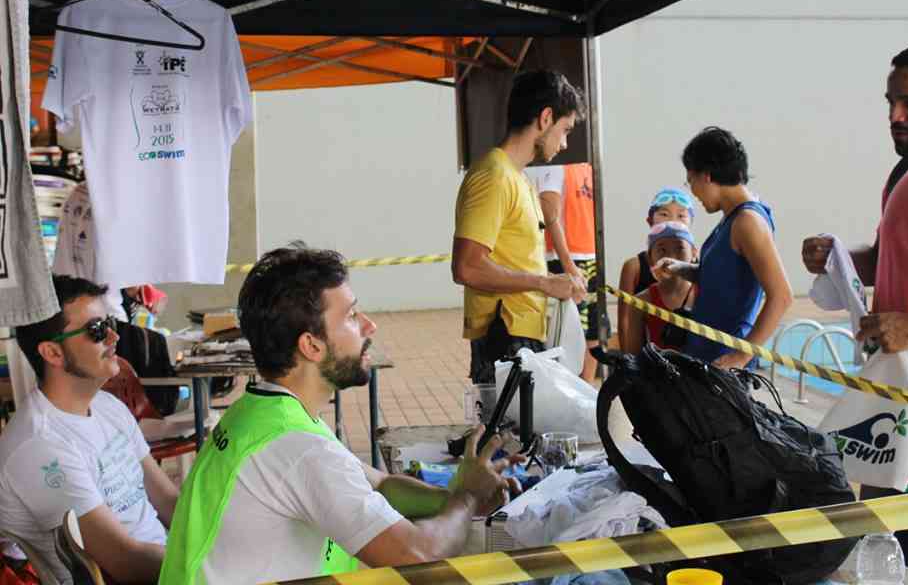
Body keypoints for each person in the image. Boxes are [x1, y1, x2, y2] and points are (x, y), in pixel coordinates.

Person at [160, 245, 521, 585]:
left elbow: (380, 486)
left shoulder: (265, 413)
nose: (369, 325)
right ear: (311, 345)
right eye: (350, 316)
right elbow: (420, 554)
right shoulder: (296, 448)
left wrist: (455, 494)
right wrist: (467, 497)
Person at [802, 42, 908, 585]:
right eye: (890, 101)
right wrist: (839, 259)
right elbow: (889, 257)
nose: (894, 115)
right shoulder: (904, 177)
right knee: (883, 562)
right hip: (890, 408)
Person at [0, 275, 179, 584]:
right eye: (97, 330)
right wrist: (205, 567)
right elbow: (126, 563)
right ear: (53, 353)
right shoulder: (39, 446)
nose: (114, 337)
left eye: (110, 323)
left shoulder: (108, 406)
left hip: (169, 564)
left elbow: (167, 499)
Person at [453, 70, 587, 384]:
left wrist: (552, 282)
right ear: (545, 118)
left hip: (519, 337)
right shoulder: (494, 176)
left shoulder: (518, 178)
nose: (564, 143)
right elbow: (466, 267)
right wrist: (544, 283)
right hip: (504, 338)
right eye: (565, 130)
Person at [654, 127, 793, 369]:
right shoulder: (731, 218)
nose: (693, 191)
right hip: (706, 356)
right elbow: (722, 278)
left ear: (706, 176)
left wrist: (741, 356)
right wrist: (680, 268)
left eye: (691, 180)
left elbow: (781, 296)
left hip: (725, 364)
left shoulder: (748, 222)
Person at [523, 161, 607, 381]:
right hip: (567, 259)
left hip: (591, 256)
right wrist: (569, 266)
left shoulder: (588, 165)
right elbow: (549, 214)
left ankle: (587, 389)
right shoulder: (555, 165)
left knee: (594, 331)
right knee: (570, 332)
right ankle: (568, 387)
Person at [617, 188, 695, 351]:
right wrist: (627, 359)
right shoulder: (634, 269)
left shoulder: (701, 281)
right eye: (664, 214)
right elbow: (625, 322)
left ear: (694, 253)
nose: (672, 219)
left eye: (681, 215)